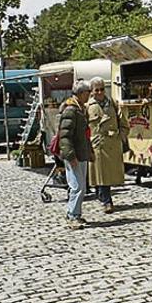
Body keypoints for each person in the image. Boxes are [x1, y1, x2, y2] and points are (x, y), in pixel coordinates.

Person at [86, 77, 129, 214]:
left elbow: (123, 122)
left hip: (112, 143)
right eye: (96, 90)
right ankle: (106, 201)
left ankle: (101, 194)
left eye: (102, 89)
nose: (99, 92)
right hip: (98, 144)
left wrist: (122, 136)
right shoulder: (88, 107)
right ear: (92, 92)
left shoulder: (112, 104)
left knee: (108, 175)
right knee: (101, 174)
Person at [59, 80, 94, 229]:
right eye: (88, 93)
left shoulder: (80, 109)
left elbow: (85, 134)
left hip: (81, 153)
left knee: (81, 187)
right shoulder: (71, 110)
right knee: (77, 186)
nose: (90, 95)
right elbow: (65, 135)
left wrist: (90, 151)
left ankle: (75, 213)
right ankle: (72, 216)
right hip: (73, 155)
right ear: (81, 93)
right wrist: (70, 155)